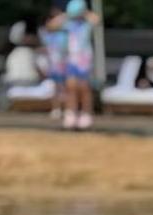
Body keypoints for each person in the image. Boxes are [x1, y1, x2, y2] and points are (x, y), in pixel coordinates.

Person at [43, 0, 98, 129]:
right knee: (70, 87)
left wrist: (84, 12)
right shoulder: (69, 24)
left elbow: (96, 19)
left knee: (84, 88)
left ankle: (86, 113)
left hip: (84, 59)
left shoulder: (86, 24)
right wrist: (66, 15)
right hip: (72, 58)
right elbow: (50, 26)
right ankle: (71, 113)